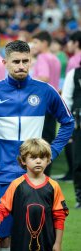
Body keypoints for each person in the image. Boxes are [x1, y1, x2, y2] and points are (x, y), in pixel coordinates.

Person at [0, 40, 74, 250]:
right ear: (5, 62)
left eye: (25, 61)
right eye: (16, 62)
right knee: (2, 237)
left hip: (33, 178)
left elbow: (68, 122)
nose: (21, 66)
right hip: (0, 175)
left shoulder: (45, 90)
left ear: (31, 61)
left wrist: (52, 152)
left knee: (34, 233)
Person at [0, 138, 69, 251]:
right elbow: (1, 209)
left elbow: (59, 216)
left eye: (42, 157)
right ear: (23, 161)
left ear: (48, 160)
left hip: (46, 243)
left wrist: (57, 244)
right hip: (20, 243)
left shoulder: (54, 186)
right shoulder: (16, 185)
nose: (38, 161)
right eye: (33, 157)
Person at [31, 31, 61, 176]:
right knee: (48, 140)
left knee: (39, 140)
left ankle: (39, 173)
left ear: (44, 43)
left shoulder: (42, 57)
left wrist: (29, 81)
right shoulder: (55, 58)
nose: (34, 45)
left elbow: (44, 77)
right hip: (54, 103)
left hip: (43, 104)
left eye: (36, 42)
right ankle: (46, 172)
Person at [62, 63, 81, 208]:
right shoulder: (74, 73)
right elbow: (66, 100)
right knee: (78, 162)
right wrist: (67, 127)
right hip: (78, 125)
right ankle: (80, 198)